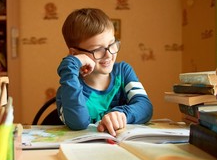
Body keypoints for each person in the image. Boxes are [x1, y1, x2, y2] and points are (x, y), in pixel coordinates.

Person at [56, 8, 153, 136]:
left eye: (112, 44)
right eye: (98, 49)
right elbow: (78, 122)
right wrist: (70, 64)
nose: (108, 55)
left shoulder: (123, 72)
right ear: (75, 54)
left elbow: (146, 107)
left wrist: (120, 114)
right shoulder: (69, 87)